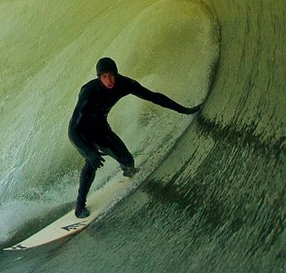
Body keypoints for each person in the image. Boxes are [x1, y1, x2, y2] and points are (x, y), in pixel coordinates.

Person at [68, 57, 200, 219]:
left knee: (128, 161)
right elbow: (72, 128)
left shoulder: (124, 85)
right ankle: (80, 206)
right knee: (92, 162)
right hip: (81, 132)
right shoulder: (89, 91)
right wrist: (89, 151)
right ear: (99, 77)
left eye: (111, 75)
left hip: (101, 129)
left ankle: (128, 172)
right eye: (103, 77)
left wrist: (184, 110)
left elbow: (154, 97)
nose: (108, 80)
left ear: (116, 74)